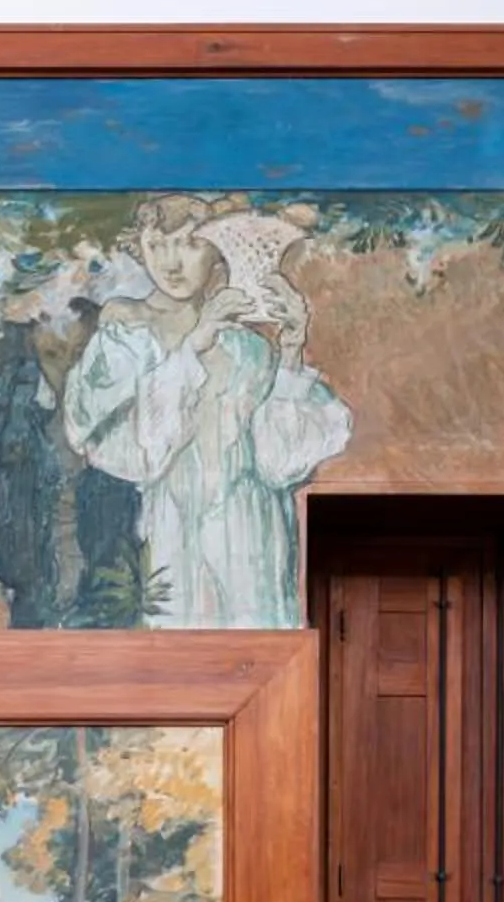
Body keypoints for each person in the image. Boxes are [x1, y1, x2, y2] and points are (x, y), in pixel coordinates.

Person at [60, 195, 353, 629]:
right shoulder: (128, 333)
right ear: (139, 245)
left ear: (219, 250)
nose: (171, 262)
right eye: (157, 244)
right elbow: (114, 445)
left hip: (253, 541)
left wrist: (291, 348)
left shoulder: (248, 347)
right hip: (174, 537)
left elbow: (278, 465)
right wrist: (192, 347)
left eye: (190, 244)